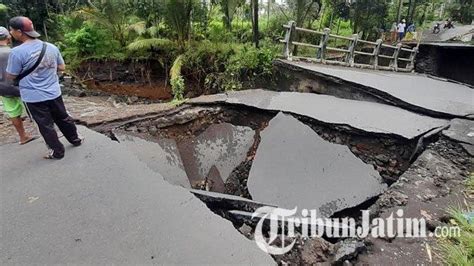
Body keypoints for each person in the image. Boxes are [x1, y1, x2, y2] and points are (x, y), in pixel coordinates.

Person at [6, 16, 83, 159]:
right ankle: (75, 139)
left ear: (19, 31)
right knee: (63, 117)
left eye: (11, 30)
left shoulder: (17, 52)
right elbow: (61, 67)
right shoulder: (51, 47)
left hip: (33, 96)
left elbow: (11, 75)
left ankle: (57, 152)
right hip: (54, 91)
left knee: (45, 125)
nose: (11, 33)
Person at [0, 26, 35, 145]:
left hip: (3, 89)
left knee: (13, 112)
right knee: (33, 110)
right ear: (8, 37)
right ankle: (47, 133)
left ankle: (23, 136)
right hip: (20, 87)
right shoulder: (13, 52)